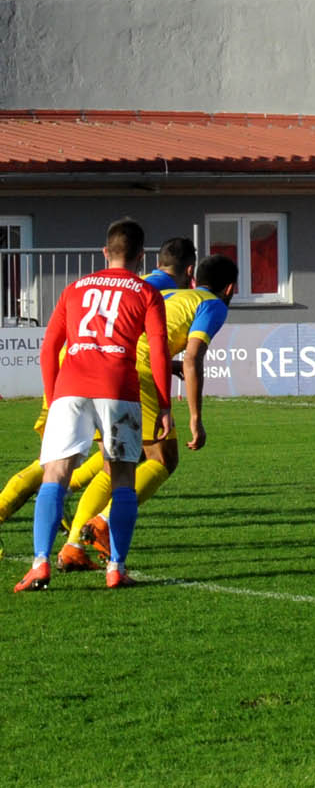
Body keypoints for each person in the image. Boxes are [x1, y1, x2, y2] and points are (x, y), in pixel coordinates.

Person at [13, 218, 172, 592]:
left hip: (71, 387)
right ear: (141, 256)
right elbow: (159, 350)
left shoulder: (75, 288)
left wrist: (52, 398)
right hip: (118, 387)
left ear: (105, 252)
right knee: (122, 478)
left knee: (55, 473)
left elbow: (49, 348)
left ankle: (40, 563)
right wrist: (164, 404)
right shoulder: (146, 292)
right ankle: (115, 567)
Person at [53, 255, 236, 570]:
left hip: (109, 365)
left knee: (114, 463)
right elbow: (193, 358)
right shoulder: (213, 305)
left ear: (195, 279)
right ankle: (103, 522)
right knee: (163, 458)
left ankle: (72, 548)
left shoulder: (171, 294)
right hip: (142, 370)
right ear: (230, 288)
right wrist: (196, 418)